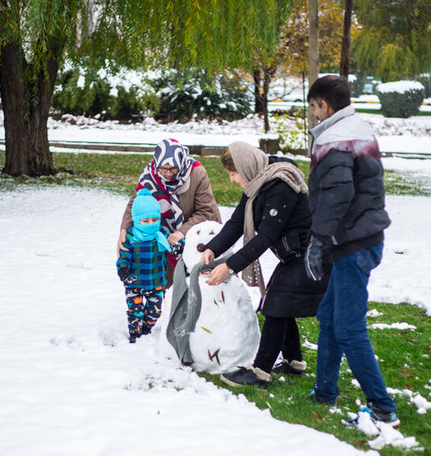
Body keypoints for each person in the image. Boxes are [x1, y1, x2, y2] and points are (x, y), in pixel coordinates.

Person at [303, 74, 399, 427]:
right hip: (363, 238)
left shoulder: (334, 138)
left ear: (323, 105)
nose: (313, 114)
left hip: (353, 244)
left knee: (347, 327)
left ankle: (382, 408)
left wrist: (317, 240)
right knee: (329, 316)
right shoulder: (359, 129)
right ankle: (325, 391)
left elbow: (338, 194)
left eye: (313, 107)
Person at [200, 142, 329, 388]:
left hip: (314, 255)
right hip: (296, 255)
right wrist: (212, 248)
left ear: (244, 167)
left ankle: (260, 373)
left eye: (232, 173)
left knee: (275, 304)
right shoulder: (257, 182)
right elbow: (237, 222)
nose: (232, 179)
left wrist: (229, 266)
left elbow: (266, 237)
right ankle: (293, 362)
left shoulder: (280, 186)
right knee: (280, 303)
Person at [118, 138, 221, 285]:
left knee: (199, 282)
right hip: (164, 237)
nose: (168, 173)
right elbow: (136, 203)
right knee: (169, 282)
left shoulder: (196, 173)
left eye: (173, 168)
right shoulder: (150, 176)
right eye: (163, 168)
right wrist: (124, 230)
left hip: (196, 236)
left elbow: (206, 211)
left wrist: (182, 232)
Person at [116, 189, 180, 343]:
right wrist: (123, 269)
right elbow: (123, 257)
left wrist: (178, 246)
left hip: (156, 282)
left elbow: (173, 244)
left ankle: (146, 329)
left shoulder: (161, 234)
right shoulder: (130, 237)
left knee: (155, 311)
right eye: (145, 221)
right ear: (137, 220)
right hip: (134, 282)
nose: (151, 224)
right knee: (135, 311)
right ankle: (135, 334)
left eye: (154, 219)